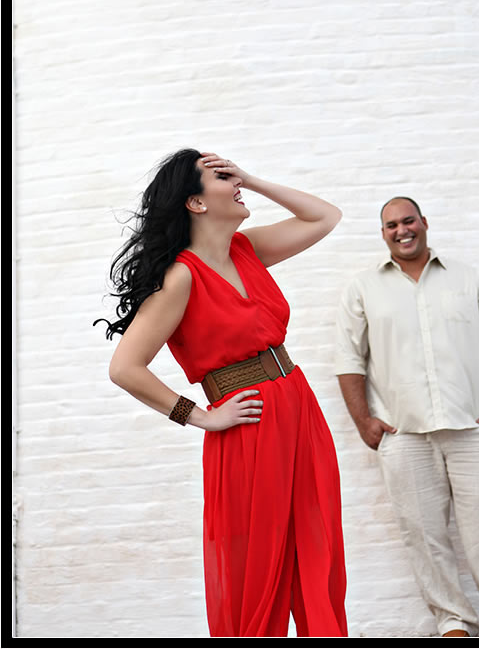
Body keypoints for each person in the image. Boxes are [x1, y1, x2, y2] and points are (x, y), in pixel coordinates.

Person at [95, 149, 348, 638]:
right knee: (259, 564)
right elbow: (125, 368)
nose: (234, 182)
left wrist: (251, 179)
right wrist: (200, 416)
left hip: (299, 408)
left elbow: (325, 217)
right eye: (221, 177)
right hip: (249, 424)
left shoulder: (246, 250)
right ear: (195, 202)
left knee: (318, 550)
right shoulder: (181, 277)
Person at [335, 196, 479, 638]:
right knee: (423, 534)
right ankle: (453, 622)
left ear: (424, 223)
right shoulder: (362, 288)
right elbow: (349, 359)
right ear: (382, 233)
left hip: (473, 427)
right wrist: (365, 422)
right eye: (391, 225)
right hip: (404, 434)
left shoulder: (467, 278)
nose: (402, 230)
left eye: (408, 221)